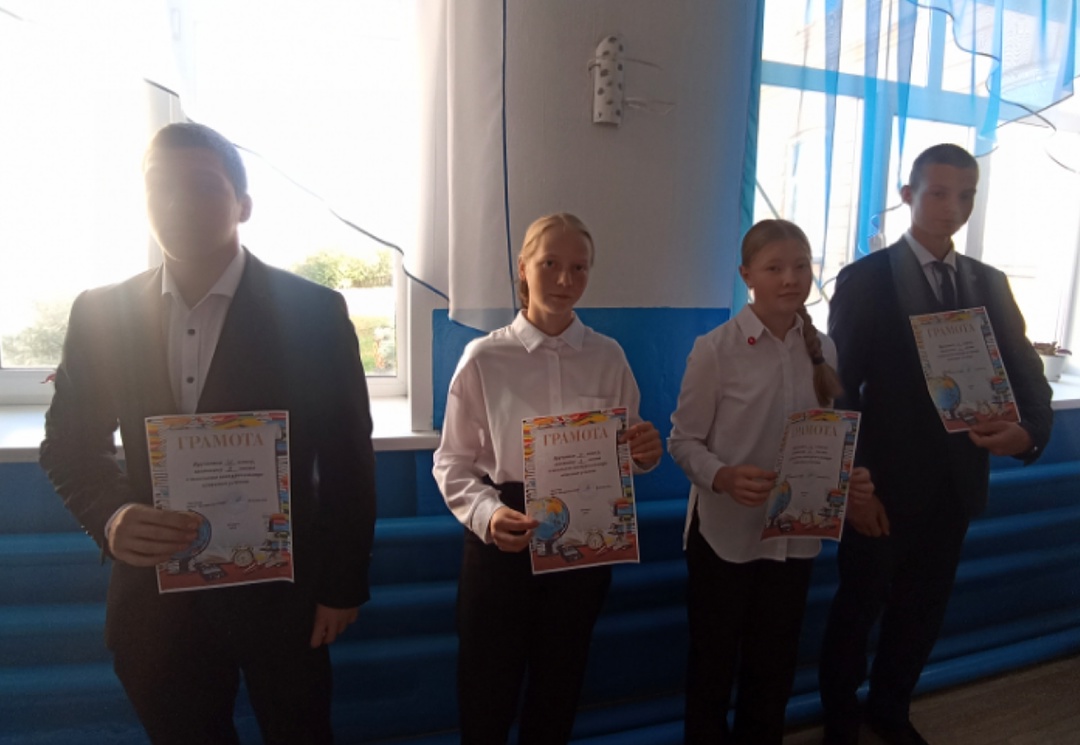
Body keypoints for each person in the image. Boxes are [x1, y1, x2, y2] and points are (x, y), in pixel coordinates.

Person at [39, 122, 378, 745]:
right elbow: (68, 444)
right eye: (159, 187)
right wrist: (111, 516)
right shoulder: (101, 314)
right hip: (157, 597)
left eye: (201, 185)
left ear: (243, 204)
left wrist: (342, 586)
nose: (177, 203)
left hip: (285, 591)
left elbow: (348, 460)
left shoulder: (313, 313)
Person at [818, 143, 1054, 745]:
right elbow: (839, 393)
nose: (953, 207)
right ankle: (840, 722)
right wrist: (854, 487)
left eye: (965, 195)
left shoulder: (989, 282)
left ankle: (890, 710)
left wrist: (1027, 433)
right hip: (882, 489)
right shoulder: (866, 279)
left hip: (955, 487)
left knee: (921, 611)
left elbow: (1028, 379)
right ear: (908, 196)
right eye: (939, 193)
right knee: (857, 610)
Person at [432, 212, 663, 745]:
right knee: (486, 691)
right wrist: (487, 514)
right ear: (523, 267)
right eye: (550, 264)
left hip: (583, 540)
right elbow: (452, 461)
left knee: (559, 688)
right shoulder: (484, 357)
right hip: (505, 534)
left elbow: (625, 450)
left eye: (579, 268)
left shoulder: (608, 356)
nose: (565, 279)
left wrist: (643, 455)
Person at [668, 218, 874, 745]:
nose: (790, 278)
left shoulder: (824, 349)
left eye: (801, 266)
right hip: (725, 538)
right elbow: (683, 442)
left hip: (794, 537)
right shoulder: (716, 350)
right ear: (746, 276)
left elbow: (825, 439)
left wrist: (846, 479)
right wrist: (722, 476)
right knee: (713, 666)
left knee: (774, 666)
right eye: (774, 268)